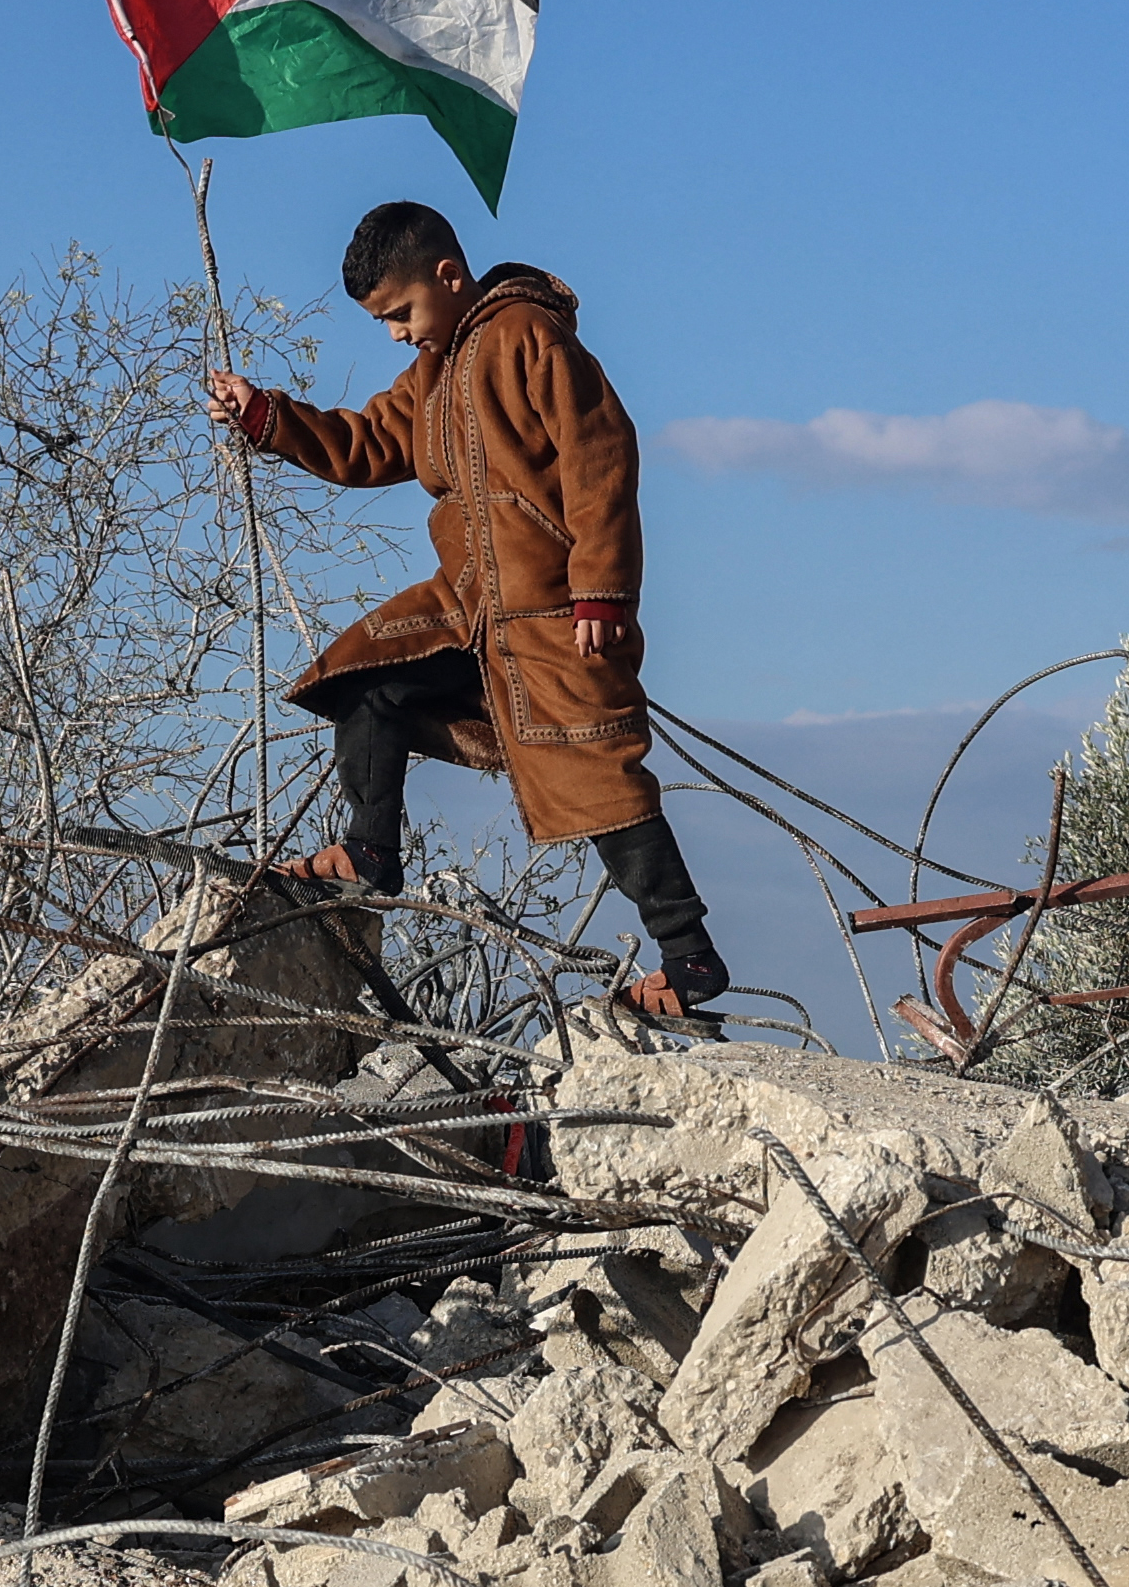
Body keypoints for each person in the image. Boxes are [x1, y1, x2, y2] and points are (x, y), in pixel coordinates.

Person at [204, 201, 733, 1018]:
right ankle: (371, 851)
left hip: (556, 610)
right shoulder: (433, 374)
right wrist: (267, 418)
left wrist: (601, 586)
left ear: (449, 277)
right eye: (381, 321)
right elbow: (368, 441)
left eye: (399, 314)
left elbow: (601, 455)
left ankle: (690, 957)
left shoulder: (528, 335)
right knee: (366, 680)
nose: (394, 335)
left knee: (596, 774)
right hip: (469, 610)